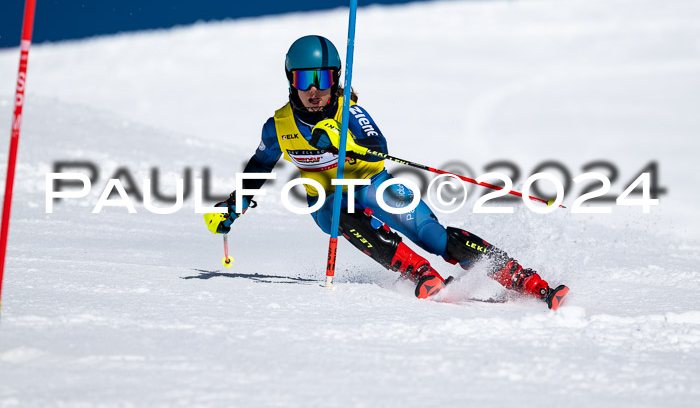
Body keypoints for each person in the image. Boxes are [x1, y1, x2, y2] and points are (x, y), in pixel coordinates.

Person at [204, 35, 569, 309]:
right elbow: (259, 167)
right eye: (304, 81)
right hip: (330, 199)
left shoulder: (348, 111)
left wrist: (341, 140)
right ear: (290, 82)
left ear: (336, 80)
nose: (314, 90)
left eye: (323, 79)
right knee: (336, 215)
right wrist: (233, 206)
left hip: (372, 183)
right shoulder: (278, 126)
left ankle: (525, 280)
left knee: (432, 236)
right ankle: (420, 274)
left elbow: (378, 146)